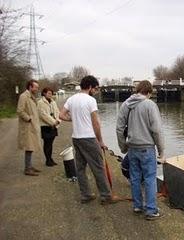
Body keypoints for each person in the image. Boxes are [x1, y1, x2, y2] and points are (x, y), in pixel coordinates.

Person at [59, 75, 118, 205]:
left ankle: (86, 195)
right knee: (98, 168)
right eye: (95, 88)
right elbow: (95, 122)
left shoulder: (71, 99)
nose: (96, 91)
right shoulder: (90, 100)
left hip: (76, 138)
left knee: (80, 169)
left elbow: (61, 115)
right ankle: (106, 196)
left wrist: (73, 119)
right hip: (89, 138)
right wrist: (100, 140)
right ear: (90, 87)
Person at [116, 80, 164, 220]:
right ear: (148, 92)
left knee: (135, 178)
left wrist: (123, 147)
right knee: (149, 179)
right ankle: (151, 210)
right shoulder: (150, 105)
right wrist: (161, 150)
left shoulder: (126, 104)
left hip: (132, 148)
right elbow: (157, 130)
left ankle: (137, 206)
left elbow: (119, 128)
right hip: (147, 148)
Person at [17, 79, 42, 176]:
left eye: (37, 87)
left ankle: (29, 166)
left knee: (31, 147)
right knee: (29, 146)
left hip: (32, 126)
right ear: (30, 87)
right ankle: (27, 169)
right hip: (28, 127)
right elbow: (20, 111)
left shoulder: (31, 97)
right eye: (35, 87)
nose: (37, 89)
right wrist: (29, 119)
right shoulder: (24, 96)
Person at [37, 87, 61, 167]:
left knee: (51, 143)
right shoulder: (40, 103)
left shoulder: (53, 102)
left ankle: (50, 159)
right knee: (47, 143)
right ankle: (48, 160)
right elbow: (43, 115)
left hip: (54, 125)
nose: (50, 95)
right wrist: (53, 122)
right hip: (45, 126)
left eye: (51, 93)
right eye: (48, 93)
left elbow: (57, 111)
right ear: (44, 93)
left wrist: (57, 120)